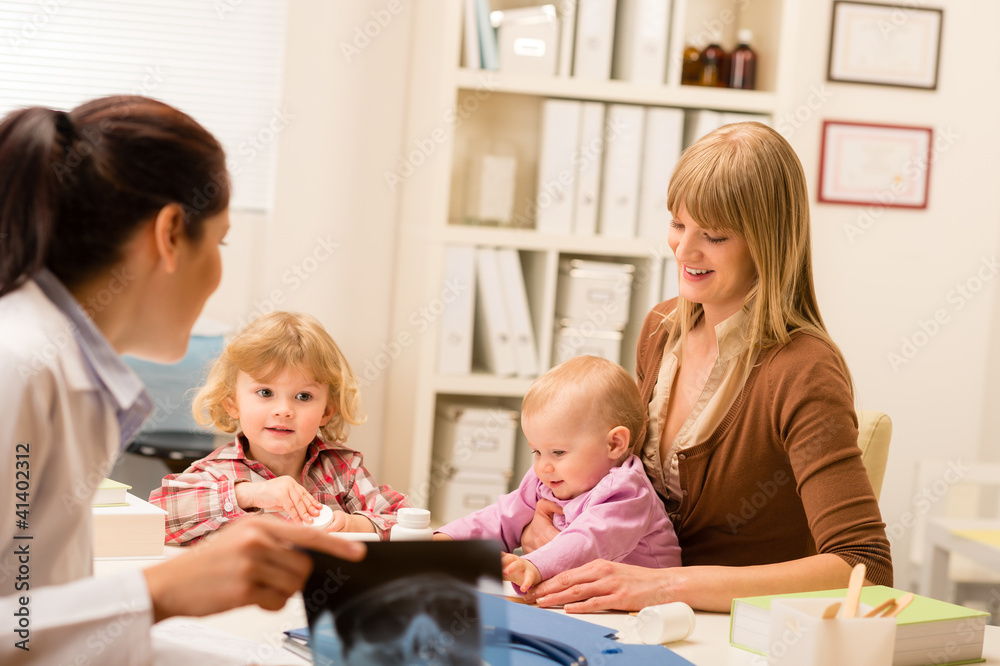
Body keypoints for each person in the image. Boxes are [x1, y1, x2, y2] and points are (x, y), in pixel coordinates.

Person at [0, 96, 364, 665]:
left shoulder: (59, 368)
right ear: (171, 233)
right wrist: (164, 590)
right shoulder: (16, 365)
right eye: (218, 242)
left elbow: (29, 620)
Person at [520, 122, 893, 613]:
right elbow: (615, 484)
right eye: (678, 224)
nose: (684, 250)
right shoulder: (661, 328)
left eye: (714, 235)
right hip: (636, 619)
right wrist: (543, 525)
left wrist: (666, 587)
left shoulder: (804, 369)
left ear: (767, 242)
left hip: (734, 639)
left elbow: (865, 568)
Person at [150, 311, 407, 543]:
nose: (283, 410)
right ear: (232, 404)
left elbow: (403, 519)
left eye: (303, 396)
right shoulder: (216, 472)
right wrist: (249, 494)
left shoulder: (342, 470)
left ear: (326, 412)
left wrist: (356, 524)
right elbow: (158, 517)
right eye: (265, 392)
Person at [434, 355, 681, 592]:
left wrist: (534, 565)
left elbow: (587, 542)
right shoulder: (548, 478)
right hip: (583, 592)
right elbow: (503, 515)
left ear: (614, 444)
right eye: (537, 452)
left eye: (558, 452)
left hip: (645, 606)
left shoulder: (627, 493)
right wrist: (450, 539)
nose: (543, 466)